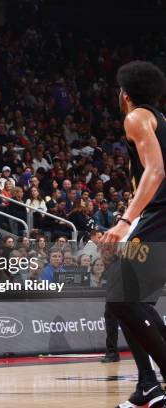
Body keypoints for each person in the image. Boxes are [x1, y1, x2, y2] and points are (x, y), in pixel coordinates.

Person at [101, 61, 166, 407]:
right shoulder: (160, 120)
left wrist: (126, 220)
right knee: (131, 300)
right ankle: (147, 384)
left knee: (121, 297)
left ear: (124, 94)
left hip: (159, 217)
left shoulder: (136, 117)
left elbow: (156, 170)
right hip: (155, 218)